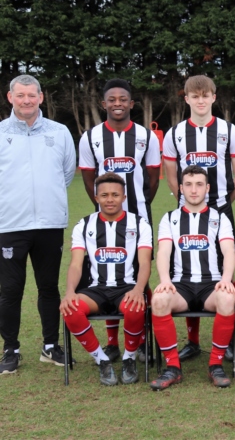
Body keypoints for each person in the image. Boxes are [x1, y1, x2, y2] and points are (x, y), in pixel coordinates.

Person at [163, 75, 235, 363]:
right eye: (194, 96)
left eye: (205, 95)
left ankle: (229, 340)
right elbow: (172, 176)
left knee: (226, 270)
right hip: (186, 212)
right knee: (187, 267)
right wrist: (187, 201)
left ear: (214, 97)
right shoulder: (175, 133)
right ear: (186, 99)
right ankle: (194, 341)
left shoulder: (228, 130)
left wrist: (221, 204)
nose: (200, 100)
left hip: (221, 208)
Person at [77, 78, 161, 363]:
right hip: (105, 215)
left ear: (131, 104)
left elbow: (153, 175)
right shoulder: (90, 137)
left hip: (138, 215)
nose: (117, 104)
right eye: (111, 99)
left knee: (139, 273)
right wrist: (103, 208)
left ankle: (141, 342)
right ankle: (113, 342)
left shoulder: (145, 136)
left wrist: (140, 205)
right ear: (103, 104)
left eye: (122, 99)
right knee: (107, 271)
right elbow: (89, 178)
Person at [0, 74, 76, 374]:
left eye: (32, 95)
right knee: (10, 290)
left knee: (48, 288)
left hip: (49, 223)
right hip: (10, 224)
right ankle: (11, 349)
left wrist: (47, 200)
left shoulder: (59, 132)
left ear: (41, 97)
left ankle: (49, 346)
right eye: (20, 96)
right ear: (11, 98)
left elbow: (66, 173)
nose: (26, 100)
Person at [149, 166, 235, 390]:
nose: (194, 190)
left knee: (227, 299)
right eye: (188, 185)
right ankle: (172, 367)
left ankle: (216, 364)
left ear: (207, 188)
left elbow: (228, 251)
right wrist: (165, 280)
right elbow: (164, 252)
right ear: (180, 188)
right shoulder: (170, 218)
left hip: (212, 283)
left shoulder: (220, 218)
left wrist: (226, 279)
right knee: (159, 300)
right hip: (181, 285)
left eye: (199, 184)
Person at [60, 173, 152, 385]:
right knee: (71, 309)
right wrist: (70, 292)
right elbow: (75, 264)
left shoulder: (140, 224)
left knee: (136, 307)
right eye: (104, 195)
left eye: (115, 195)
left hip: (127, 287)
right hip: (96, 289)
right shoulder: (83, 225)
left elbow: (145, 262)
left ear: (124, 196)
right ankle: (102, 360)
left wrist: (139, 289)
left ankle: (129, 358)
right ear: (96, 197)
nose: (109, 199)